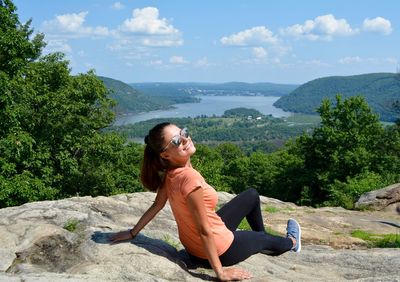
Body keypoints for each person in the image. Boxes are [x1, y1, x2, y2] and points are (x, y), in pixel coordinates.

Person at [110, 122, 301, 281]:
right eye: (177, 141)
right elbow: (204, 230)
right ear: (165, 155)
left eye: (183, 133)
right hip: (221, 251)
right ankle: (291, 242)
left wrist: (132, 233)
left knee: (251, 195)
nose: (185, 139)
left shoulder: (170, 174)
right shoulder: (189, 178)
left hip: (195, 249)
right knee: (263, 238)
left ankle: (260, 243)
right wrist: (220, 273)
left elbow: (157, 205)